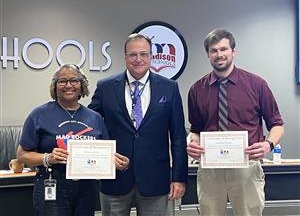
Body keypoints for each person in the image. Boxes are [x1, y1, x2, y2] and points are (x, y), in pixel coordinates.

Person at [187, 29, 284, 216]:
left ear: (233, 51)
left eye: (223, 49)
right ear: (208, 54)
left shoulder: (257, 85)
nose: (219, 54)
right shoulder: (197, 89)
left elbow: (277, 124)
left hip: (247, 167)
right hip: (210, 170)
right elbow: (196, 130)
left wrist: (268, 144)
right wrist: (194, 143)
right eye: (213, 50)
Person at [88, 33, 188, 216]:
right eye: (133, 54)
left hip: (155, 177)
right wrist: (102, 154)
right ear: (125, 57)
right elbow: (91, 125)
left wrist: (179, 178)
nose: (138, 59)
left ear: (151, 56)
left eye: (143, 54)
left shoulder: (169, 87)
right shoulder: (105, 86)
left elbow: (178, 136)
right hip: (115, 177)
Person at [16, 64, 129, 216]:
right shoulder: (39, 114)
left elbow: (105, 154)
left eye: (74, 80)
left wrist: (116, 162)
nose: (68, 85)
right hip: (52, 184)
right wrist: (48, 158)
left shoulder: (94, 117)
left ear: (82, 86)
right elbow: (22, 155)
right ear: (55, 86)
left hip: (87, 188)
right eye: (62, 81)